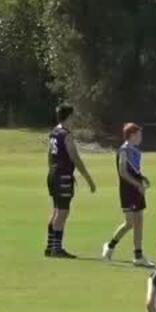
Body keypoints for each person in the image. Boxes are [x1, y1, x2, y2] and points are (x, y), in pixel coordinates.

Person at [45, 104, 96, 259]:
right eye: (73, 116)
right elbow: (74, 157)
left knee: (56, 210)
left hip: (53, 174)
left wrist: (53, 170)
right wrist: (88, 178)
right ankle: (56, 248)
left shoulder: (54, 132)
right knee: (62, 212)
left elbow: (49, 155)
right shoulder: (66, 134)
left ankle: (50, 246)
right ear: (69, 116)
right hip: (63, 177)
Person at [103, 123, 155, 267]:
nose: (141, 138)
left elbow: (135, 171)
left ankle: (138, 255)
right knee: (129, 223)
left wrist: (142, 179)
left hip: (137, 190)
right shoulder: (124, 150)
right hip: (128, 190)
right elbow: (123, 172)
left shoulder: (136, 151)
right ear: (131, 136)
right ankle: (110, 245)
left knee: (139, 222)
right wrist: (137, 184)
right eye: (139, 135)